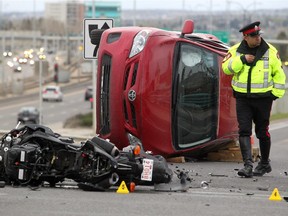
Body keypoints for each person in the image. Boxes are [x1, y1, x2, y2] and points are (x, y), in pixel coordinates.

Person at [222, 21, 286, 178]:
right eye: (253, 35)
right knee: (244, 130)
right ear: (245, 37)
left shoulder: (270, 51)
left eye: (258, 34)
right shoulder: (235, 51)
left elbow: (279, 74)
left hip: (264, 99)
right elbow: (226, 68)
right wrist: (242, 60)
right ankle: (248, 166)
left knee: (262, 132)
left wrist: (275, 94)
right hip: (243, 98)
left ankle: (264, 163)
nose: (257, 38)